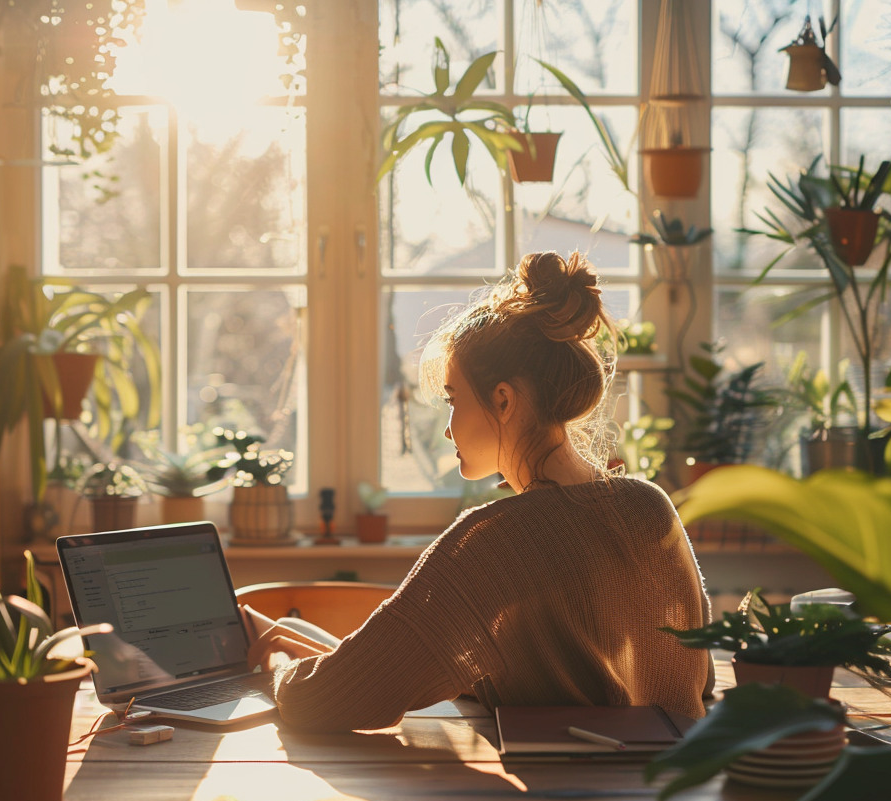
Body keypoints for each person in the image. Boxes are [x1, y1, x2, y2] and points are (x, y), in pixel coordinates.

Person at [245, 251, 712, 732]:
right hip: (680, 788)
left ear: (503, 400)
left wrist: (278, 665)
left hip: (573, 800)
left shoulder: (494, 543)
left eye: (453, 400)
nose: (448, 430)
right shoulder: (649, 505)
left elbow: (319, 703)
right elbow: (697, 680)